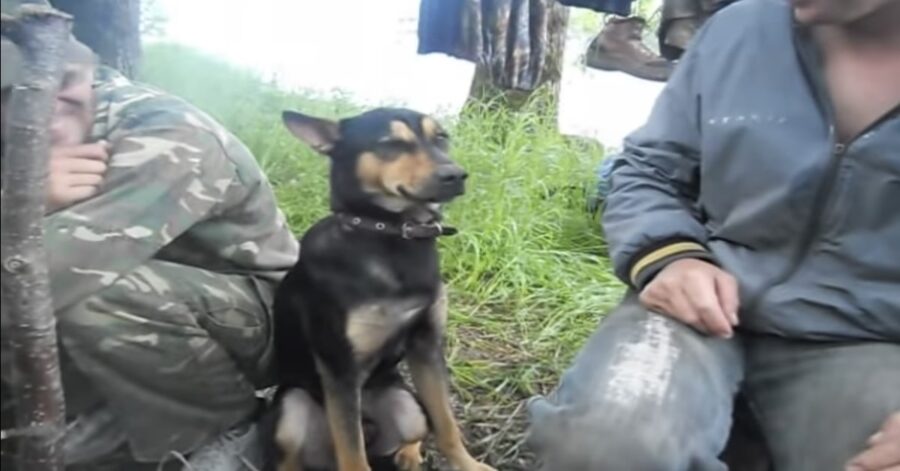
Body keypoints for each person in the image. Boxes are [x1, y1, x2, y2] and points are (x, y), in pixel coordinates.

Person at [526, 0, 900, 469]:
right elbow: (649, 169)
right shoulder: (740, 28)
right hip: (699, 312)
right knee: (605, 446)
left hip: (866, 338)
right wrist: (672, 257)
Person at [0, 29, 299, 469]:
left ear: (89, 71)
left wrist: (18, 204)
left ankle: (223, 433)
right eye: (13, 93)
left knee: (85, 295)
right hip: (126, 325)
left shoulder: (163, 132)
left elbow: (39, 282)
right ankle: (103, 430)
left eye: (66, 82)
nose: (49, 106)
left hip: (262, 320)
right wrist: (16, 200)